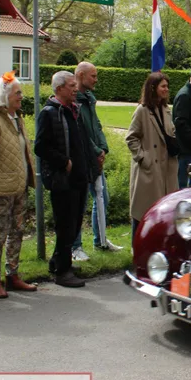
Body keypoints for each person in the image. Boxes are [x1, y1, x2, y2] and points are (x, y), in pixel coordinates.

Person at [0, 73, 38, 299]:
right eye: (17, 93)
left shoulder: (17, 120)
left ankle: (13, 274)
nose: (21, 96)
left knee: (18, 231)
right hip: (1, 188)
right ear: (5, 97)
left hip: (20, 186)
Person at [34, 71, 98, 288]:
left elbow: (82, 141)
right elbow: (40, 146)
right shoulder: (50, 113)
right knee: (65, 225)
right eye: (71, 85)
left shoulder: (74, 110)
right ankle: (62, 272)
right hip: (63, 180)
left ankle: (59, 262)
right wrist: (64, 162)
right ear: (59, 88)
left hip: (79, 178)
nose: (75, 89)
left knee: (74, 224)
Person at [71, 62, 120, 262]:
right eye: (93, 76)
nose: (96, 80)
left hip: (94, 158)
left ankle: (100, 240)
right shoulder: (74, 100)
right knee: (78, 204)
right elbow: (80, 131)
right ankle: (75, 247)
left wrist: (103, 148)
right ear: (81, 75)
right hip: (81, 159)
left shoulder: (89, 99)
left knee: (102, 198)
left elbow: (96, 126)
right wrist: (96, 151)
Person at [126, 72, 179, 239]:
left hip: (166, 169)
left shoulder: (166, 109)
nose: (166, 89)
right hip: (149, 171)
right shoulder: (142, 110)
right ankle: (136, 247)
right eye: (163, 86)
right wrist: (143, 158)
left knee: (164, 213)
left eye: (167, 86)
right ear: (153, 88)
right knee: (142, 213)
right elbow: (131, 138)